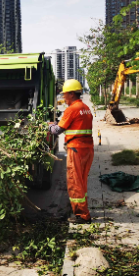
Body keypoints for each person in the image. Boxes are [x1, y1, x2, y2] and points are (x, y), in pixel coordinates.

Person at [48, 80, 94, 224]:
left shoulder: (72, 109)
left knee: (75, 182)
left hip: (76, 149)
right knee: (82, 181)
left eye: (65, 95)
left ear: (72, 94)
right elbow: (72, 124)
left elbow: (57, 131)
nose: (64, 98)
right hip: (87, 149)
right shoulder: (85, 108)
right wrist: (56, 124)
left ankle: (82, 215)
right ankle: (83, 209)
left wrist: (47, 126)